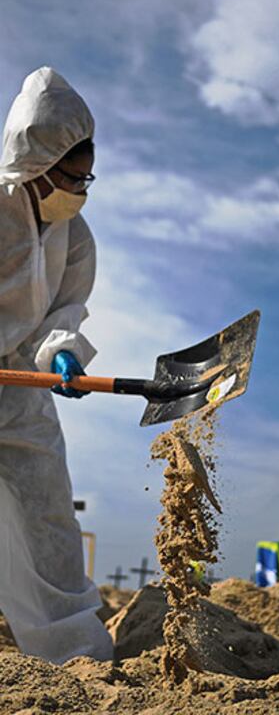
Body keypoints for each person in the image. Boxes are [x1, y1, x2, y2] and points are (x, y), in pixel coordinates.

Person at [0, 67, 112, 663]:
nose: (80, 189)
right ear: (34, 165)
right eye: (69, 176)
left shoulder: (78, 235)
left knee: (48, 518)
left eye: (86, 176)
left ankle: (75, 653)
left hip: (20, 385)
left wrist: (61, 350)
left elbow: (65, 310)